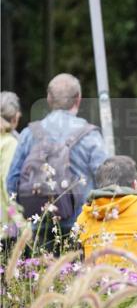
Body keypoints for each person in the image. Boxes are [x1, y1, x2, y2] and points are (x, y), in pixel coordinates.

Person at [6, 74, 108, 236]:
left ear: (48, 99)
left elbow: (12, 182)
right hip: (81, 227)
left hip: (39, 228)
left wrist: (30, 207)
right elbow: (106, 182)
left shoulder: (29, 134)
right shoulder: (90, 136)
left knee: (40, 263)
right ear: (78, 99)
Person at [0, 92, 25, 240]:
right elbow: (8, 188)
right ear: (16, 117)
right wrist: (23, 225)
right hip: (5, 230)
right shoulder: (10, 144)